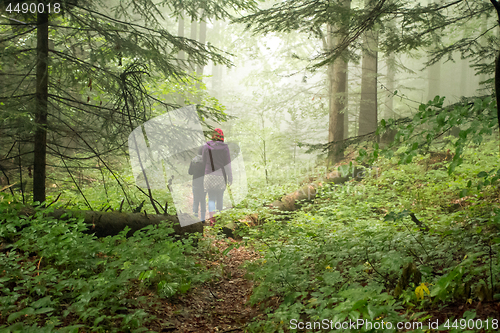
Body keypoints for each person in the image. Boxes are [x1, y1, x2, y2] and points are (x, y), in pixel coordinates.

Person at [201, 128, 232, 225]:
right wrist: (230, 177)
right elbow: (228, 164)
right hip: (220, 176)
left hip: (209, 175)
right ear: (222, 136)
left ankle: (212, 220)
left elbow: (204, 161)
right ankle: (219, 217)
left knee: (211, 198)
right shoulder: (225, 147)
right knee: (220, 197)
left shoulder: (206, 146)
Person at [188, 146, 206, 221]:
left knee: (195, 201)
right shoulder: (206, 161)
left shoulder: (193, 160)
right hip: (204, 184)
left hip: (195, 183)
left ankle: (195, 217)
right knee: (203, 200)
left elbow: (190, 172)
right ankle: (202, 218)